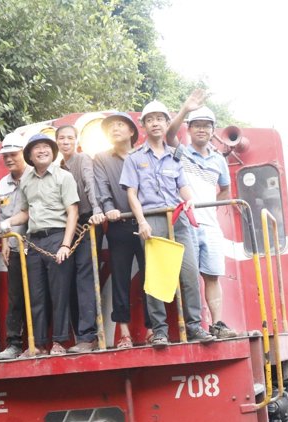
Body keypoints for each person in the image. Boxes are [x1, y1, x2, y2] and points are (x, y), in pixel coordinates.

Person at [121, 100, 215, 345]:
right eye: (150, 119)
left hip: (179, 218)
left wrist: (190, 200)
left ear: (166, 123)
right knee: (156, 278)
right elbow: (131, 192)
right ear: (143, 126)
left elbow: (182, 185)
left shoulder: (176, 155)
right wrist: (141, 222)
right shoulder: (134, 158)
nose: (155, 123)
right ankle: (160, 331)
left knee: (190, 273)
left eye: (160, 119)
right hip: (152, 220)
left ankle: (195, 326)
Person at [0, 134, 80, 355]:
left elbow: (73, 211)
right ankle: (38, 344)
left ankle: (59, 342)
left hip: (57, 237)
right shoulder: (26, 181)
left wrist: (65, 244)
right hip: (34, 242)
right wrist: (8, 222)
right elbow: (25, 212)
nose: (42, 151)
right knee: (36, 295)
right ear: (30, 155)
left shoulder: (64, 177)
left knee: (59, 293)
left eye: (46, 147)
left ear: (52, 152)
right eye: (37, 148)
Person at [166, 91, 236, 339]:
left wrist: (211, 207)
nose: (201, 130)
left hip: (211, 225)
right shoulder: (181, 152)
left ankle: (217, 324)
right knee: (189, 276)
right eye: (196, 125)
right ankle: (193, 325)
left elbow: (226, 188)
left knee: (212, 275)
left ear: (212, 129)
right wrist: (185, 108)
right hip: (187, 223)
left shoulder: (219, 160)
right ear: (190, 129)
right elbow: (168, 135)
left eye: (206, 126)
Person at [94, 112, 150, 348]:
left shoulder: (144, 155)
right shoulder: (101, 158)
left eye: (120, 125)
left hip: (148, 224)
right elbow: (103, 189)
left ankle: (152, 330)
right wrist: (109, 209)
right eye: (110, 127)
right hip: (119, 226)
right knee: (120, 279)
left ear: (131, 131)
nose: (115, 129)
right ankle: (124, 333)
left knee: (152, 278)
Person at [56, 125, 106, 353]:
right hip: (69, 226)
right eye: (61, 138)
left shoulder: (82, 158)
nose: (65, 141)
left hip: (87, 221)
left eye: (69, 138)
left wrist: (96, 210)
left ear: (75, 141)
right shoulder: (58, 167)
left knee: (84, 277)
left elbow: (90, 184)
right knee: (70, 278)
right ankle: (78, 336)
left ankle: (89, 337)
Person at [0, 133, 31, 360]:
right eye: (5, 155)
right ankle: (14, 344)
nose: (9, 159)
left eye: (13, 154)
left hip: (40, 245)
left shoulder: (37, 176)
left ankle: (41, 342)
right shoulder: (2, 185)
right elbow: (3, 216)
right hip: (16, 247)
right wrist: (6, 243)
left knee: (40, 296)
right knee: (15, 296)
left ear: (24, 154)